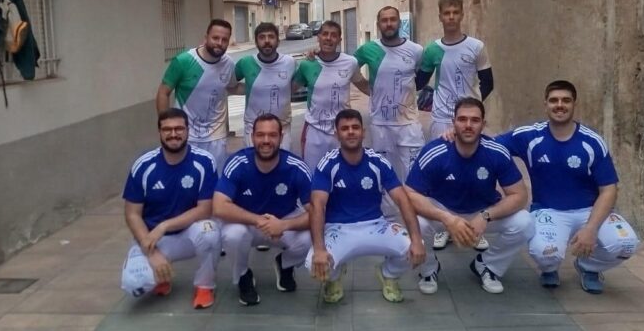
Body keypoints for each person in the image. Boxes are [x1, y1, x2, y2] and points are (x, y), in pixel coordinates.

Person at [496, 80, 640, 293]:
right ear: (546, 104)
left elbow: (609, 189)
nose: (559, 105)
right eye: (554, 100)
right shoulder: (530, 136)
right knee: (546, 252)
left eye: (566, 100)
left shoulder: (592, 141)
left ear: (574, 104)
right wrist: (454, 135)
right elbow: (489, 146)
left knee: (626, 244)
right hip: (549, 211)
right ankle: (549, 268)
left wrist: (591, 228)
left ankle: (588, 267)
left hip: (589, 210)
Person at [405, 98, 535, 295]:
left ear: (483, 124)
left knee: (525, 222)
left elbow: (519, 195)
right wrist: (447, 218)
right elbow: (410, 194)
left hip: (482, 211)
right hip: (444, 210)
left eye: (474, 120)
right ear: (453, 123)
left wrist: (485, 216)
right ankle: (429, 270)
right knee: (415, 222)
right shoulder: (435, 151)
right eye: (462, 119)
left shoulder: (496, 152)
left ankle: (488, 265)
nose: (468, 125)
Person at [306, 109, 426, 303]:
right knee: (312, 261)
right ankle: (334, 278)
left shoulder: (378, 161)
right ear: (337, 134)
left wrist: (416, 239)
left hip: (376, 226)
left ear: (363, 132)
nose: (350, 132)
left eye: (355, 127)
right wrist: (319, 249)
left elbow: (402, 200)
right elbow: (317, 206)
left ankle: (388, 274)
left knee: (414, 246)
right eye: (345, 128)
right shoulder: (327, 163)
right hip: (338, 228)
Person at [121, 109, 222, 309]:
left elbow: (205, 209)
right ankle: (161, 277)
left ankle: (204, 286)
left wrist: (164, 226)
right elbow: (132, 214)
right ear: (159, 132)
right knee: (134, 285)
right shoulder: (143, 165)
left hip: (188, 235)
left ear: (188, 131)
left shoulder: (204, 161)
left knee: (210, 232)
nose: (173, 134)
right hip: (152, 239)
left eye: (179, 129)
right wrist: (152, 252)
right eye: (167, 129)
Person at [213, 114, 313, 306]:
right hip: (247, 222)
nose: (266, 140)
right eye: (260, 135)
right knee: (232, 235)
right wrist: (258, 220)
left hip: (282, 221)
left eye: (272, 135)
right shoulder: (238, 163)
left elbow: (316, 212)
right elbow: (218, 206)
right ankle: (243, 275)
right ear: (252, 137)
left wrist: (284, 224)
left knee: (311, 235)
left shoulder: (296, 167)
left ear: (281, 137)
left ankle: (285, 264)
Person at [353, 6, 424, 182]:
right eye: (384, 20)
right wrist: (368, 88)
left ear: (399, 22)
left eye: (393, 19)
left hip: (409, 124)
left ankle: (412, 201)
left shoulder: (416, 50)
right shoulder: (367, 49)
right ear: (378, 24)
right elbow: (348, 68)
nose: (389, 23)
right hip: (381, 124)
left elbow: (420, 78)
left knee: (414, 176)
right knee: (384, 177)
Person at [156, 18, 237, 171]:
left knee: (215, 178)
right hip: (187, 135)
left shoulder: (229, 64)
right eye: (215, 38)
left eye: (224, 40)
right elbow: (163, 92)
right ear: (206, 38)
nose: (219, 43)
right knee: (186, 178)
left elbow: (233, 87)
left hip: (216, 136)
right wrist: (166, 125)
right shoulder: (184, 61)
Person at [416, 0, 494, 141]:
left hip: (467, 117)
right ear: (440, 17)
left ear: (462, 15)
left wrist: (472, 106)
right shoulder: (432, 49)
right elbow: (419, 82)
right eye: (447, 13)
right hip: (441, 118)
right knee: (440, 155)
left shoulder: (476, 47)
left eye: (455, 12)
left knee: (469, 154)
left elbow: (488, 83)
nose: (451, 17)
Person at [293, 20, 369, 168]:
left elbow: (364, 86)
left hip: (342, 130)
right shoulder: (307, 64)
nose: (328, 38)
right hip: (314, 130)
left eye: (333, 35)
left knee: (343, 173)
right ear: (318, 37)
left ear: (339, 40)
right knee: (313, 174)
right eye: (325, 34)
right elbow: (289, 89)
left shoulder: (350, 63)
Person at [233, 23, 298, 151]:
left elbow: (298, 85)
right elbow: (229, 84)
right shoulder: (245, 63)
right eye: (262, 37)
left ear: (278, 41)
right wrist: (249, 89)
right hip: (253, 128)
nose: (267, 41)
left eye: (271, 37)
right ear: (256, 42)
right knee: (253, 163)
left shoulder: (290, 62)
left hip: (282, 128)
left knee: (282, 163)